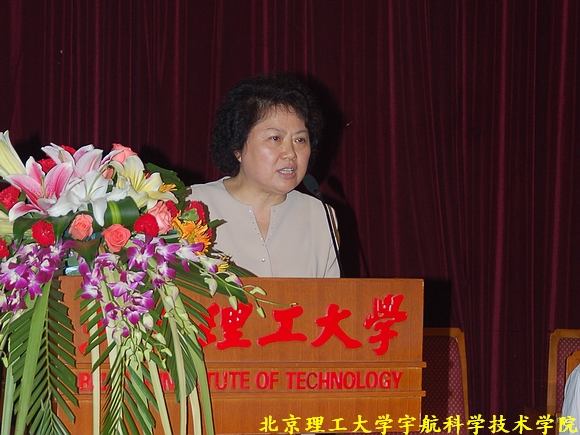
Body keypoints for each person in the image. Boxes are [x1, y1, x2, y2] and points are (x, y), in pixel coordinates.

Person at [187, 72, 340, 277]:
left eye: (300, 140)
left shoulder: (320, 215)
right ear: (238, 147)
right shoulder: (191, 205)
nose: (290, 153)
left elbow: (333, 294)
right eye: (275, 138)